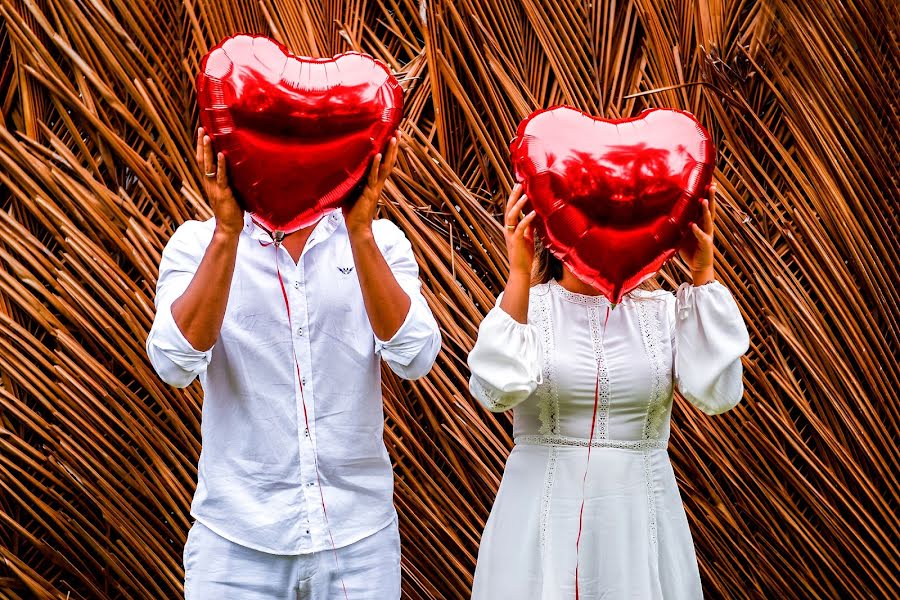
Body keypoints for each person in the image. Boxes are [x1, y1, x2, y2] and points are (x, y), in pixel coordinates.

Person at [146, 128, 441, 599]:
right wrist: (226, 232)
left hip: (358, 542)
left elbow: (415, 356)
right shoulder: (195, 245)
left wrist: (360, 229)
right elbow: (173, 364)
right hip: (236, 543)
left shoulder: (380, 241)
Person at [467, 183, 750, 598]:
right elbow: (493, 392)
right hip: (538, 519)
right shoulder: (530, 307)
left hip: (638, 520)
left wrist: (702, 273)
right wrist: (518, 274)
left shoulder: (664, 313)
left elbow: (721, 394)